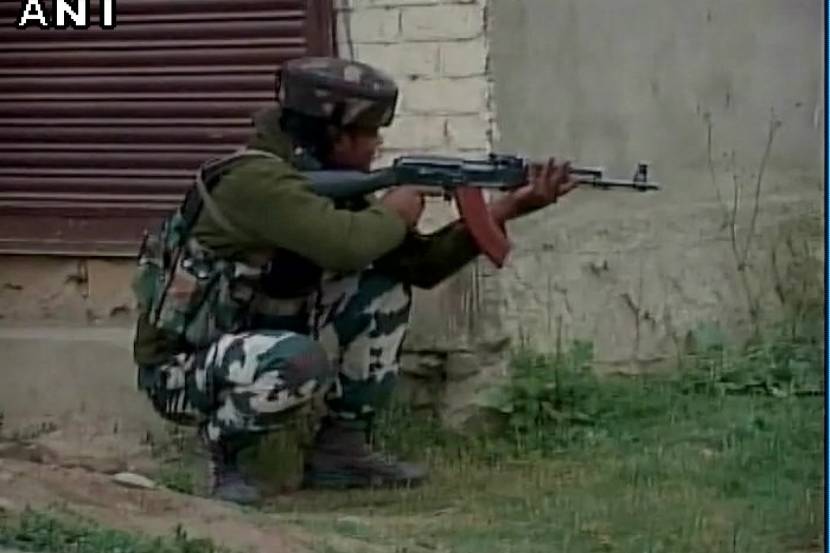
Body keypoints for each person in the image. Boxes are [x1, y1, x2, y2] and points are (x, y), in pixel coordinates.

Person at [131, 56, 578, 505]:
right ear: (336, 136)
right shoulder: (254, 181)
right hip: (182, 372)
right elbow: (346, 246)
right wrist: (395, 212)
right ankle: (224, 457)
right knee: (299, 358)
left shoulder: (318, 179)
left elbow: (419, 267)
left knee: (382, 289)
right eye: (370, 134)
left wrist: (506, 209)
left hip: (250, 343)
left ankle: (340, 451)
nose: (378, 145)